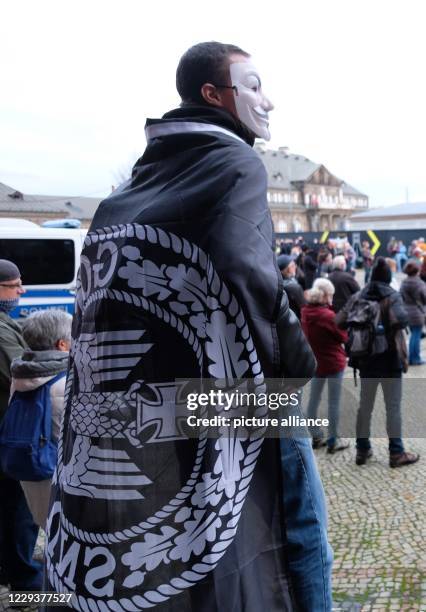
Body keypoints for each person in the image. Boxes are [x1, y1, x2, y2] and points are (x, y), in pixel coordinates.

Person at [46, 42, 332, 611]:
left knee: (199, 523)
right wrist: (292, 360)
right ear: (213, 94)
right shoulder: (235, 164)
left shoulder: (127, 190)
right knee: (299, 526)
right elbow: (248, 272)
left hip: (157, 399)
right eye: (252, 85)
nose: (266, 99)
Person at [336, 257, 420, 468]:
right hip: (390, 359)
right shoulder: (392, 296)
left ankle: (362, 451)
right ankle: (396, 453)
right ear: (388, 277)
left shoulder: (358, 295)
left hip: (365, 360)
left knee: (365, 406)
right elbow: (402, 321)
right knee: (393, 407)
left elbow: (339, 321)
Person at [0, 259, 43, 592]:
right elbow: (24, 372)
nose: (21, 290)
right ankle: (27, 585)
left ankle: (13, 568)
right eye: (15, 285)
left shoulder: (6, 322)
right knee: (20, 509)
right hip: (11, 431)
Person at [9, 309, 72, 528]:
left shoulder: (21, 375)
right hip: (56, 474)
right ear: (62, 345)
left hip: (30, 469)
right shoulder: (64, 383)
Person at [301, 279, 349, 453]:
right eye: (331, 295)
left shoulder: (305, 312)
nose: (332, 299)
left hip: (316, 363)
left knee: (313, 401)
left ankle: (316, 435)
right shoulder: (328, 316)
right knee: (333, 403)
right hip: (333, 363)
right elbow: (343, 337)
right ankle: (333, 441)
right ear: (326, 295)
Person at [400, 261, 426, 365]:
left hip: (406, 311)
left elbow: (400, 296)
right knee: (416, 336)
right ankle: (415, 358)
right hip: (417, 313)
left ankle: (411, 357)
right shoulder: (419, 283)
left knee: (413, 335)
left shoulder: (404, 282)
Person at [277, 254, 305, 320]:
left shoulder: (278, 282)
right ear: (286, 270)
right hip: (295, 320)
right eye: (292, 265)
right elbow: (303, 307)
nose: (295, 266)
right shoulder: (293, 287)